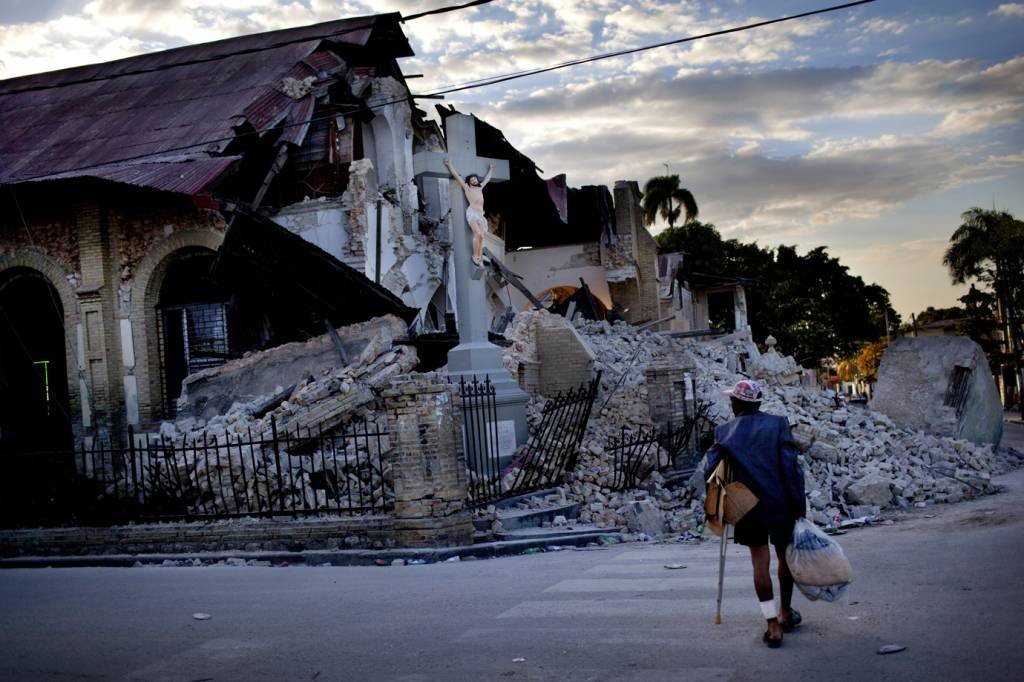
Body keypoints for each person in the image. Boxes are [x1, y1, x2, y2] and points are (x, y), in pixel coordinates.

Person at [704, 379, 806, 648]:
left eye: (732, 400)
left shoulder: (724, 432)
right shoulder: (778, 424)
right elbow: (791, 469)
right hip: (780, 502)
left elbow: (709, 472)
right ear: (758, 402)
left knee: (759, 564)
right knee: (784, 558)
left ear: (737, 403)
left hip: (747, 507)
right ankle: (786, 612)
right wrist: (798, 506)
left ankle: (772, 625)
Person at [443, 158, 494, 267]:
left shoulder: (480, 188)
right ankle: (475, 255)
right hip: (472, 214)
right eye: (472, 180)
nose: (474, 180)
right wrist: (449, 164)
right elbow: (457, 176)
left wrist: (491, 169)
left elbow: (487, 179)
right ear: (469, 182)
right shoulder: (467, 188)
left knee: (482, 237)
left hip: (480, 215)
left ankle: (479, 257)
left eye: (475, 179)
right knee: (478, 233)